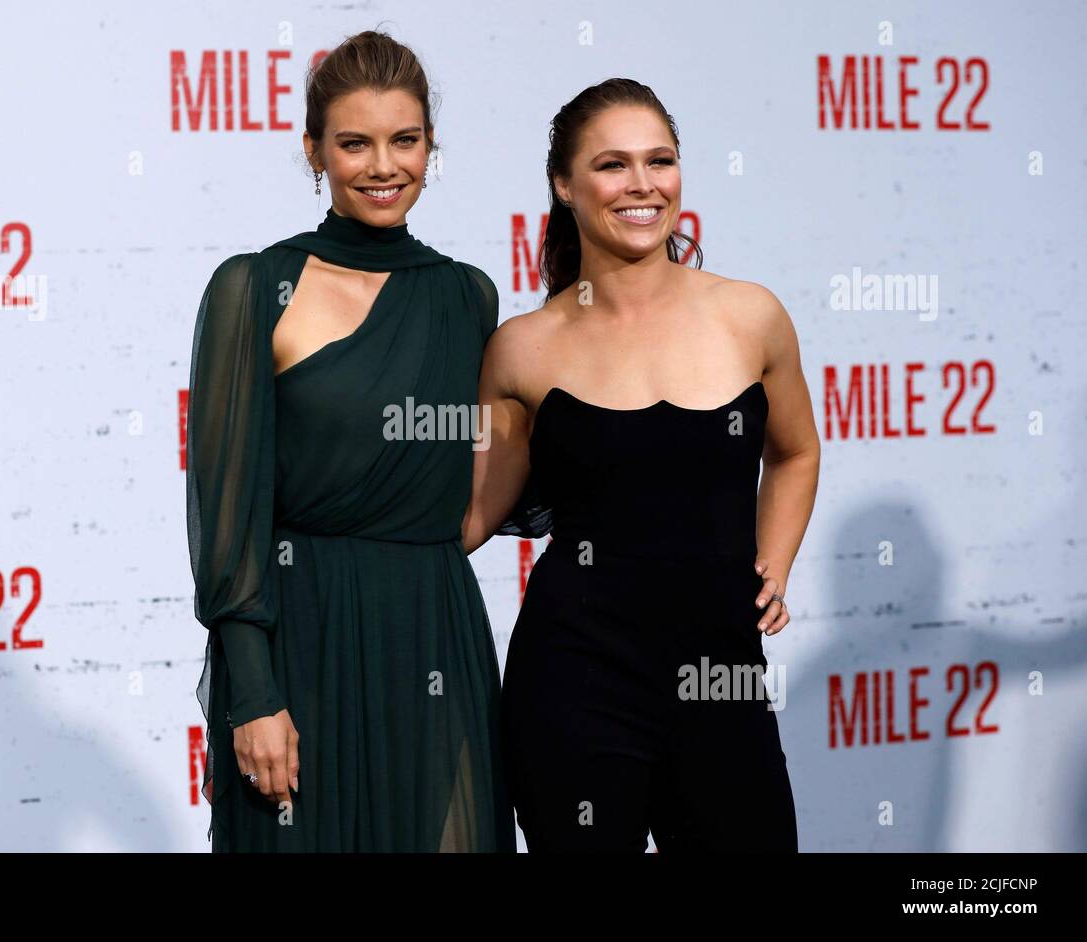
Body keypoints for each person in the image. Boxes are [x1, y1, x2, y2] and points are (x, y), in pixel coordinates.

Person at [465, 78, 821, 851]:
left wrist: (773, 563)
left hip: (723, 676)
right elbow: (471, 518)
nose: (642, 186)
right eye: (613, 165)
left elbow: (795, 450)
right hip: (573, 684)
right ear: (564, 184)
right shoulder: (522, 347)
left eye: (659, 161)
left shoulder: (749, 314)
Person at [186, 30, 515, 852]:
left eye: (405, 140)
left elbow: (479, 490)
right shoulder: (256, 287)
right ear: (314, 152)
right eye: (354, 143)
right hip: (302, 638)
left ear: (431, 148)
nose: (382, 166)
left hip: (435, 635)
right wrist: (253, 696)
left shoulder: (469, 295)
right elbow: (228, 520)